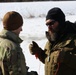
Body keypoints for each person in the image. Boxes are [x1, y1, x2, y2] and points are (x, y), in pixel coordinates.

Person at [29, 7, 76, 75]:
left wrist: (66, 57)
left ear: (61, 22)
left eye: (51, 23)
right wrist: (39, 52)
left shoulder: (73, 40)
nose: (49, 27)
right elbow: (49, 61)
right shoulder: (51, 40)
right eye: (47, 24)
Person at [0, 11, 38, 75]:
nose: (21, 29)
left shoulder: (1, 42)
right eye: (20, 26)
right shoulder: (12, 48)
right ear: (14, 27)